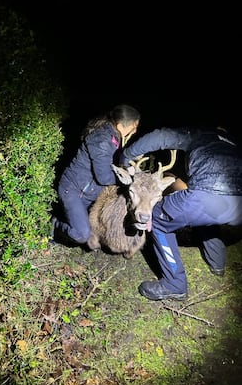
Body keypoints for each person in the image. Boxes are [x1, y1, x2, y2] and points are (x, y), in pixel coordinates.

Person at [119, 126, 242, 301]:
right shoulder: (233, 143)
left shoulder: (199, 134)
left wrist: (126, 156)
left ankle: (174, 284)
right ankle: (217, 263)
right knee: (205, 216)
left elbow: (160, 136)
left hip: (207, 197)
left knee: (158, 218)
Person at [52, 104, 141, 246]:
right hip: (73, 190)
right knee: (82, 234)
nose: (135, 131)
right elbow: (104, 177)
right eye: (133, 126)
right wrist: (126, 177)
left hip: (87, 192)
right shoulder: (102, 140)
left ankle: (61, 227)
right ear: (120, 125)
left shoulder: (114, 137)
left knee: (83, 226)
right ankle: (54, 226)